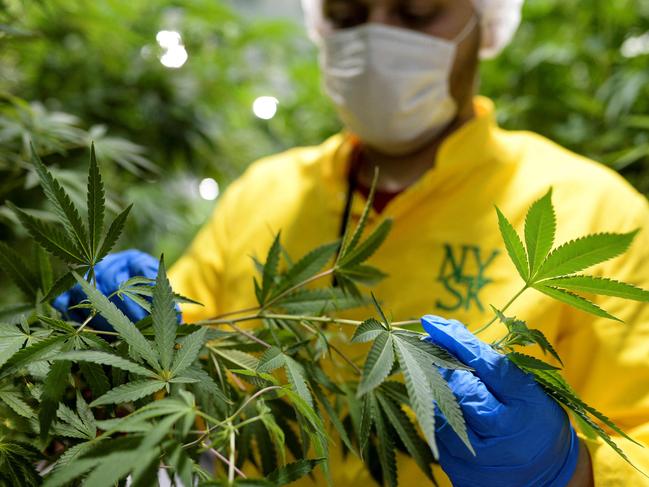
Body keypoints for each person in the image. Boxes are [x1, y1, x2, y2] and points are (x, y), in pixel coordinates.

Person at [55, 0, 649, 485]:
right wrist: (123, 328)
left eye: (417, 12)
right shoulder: (266, 191)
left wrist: (567, 473)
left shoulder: (597, 210)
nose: (376, 37)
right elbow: (180, 351)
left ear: (485, 23)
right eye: (346, 13)